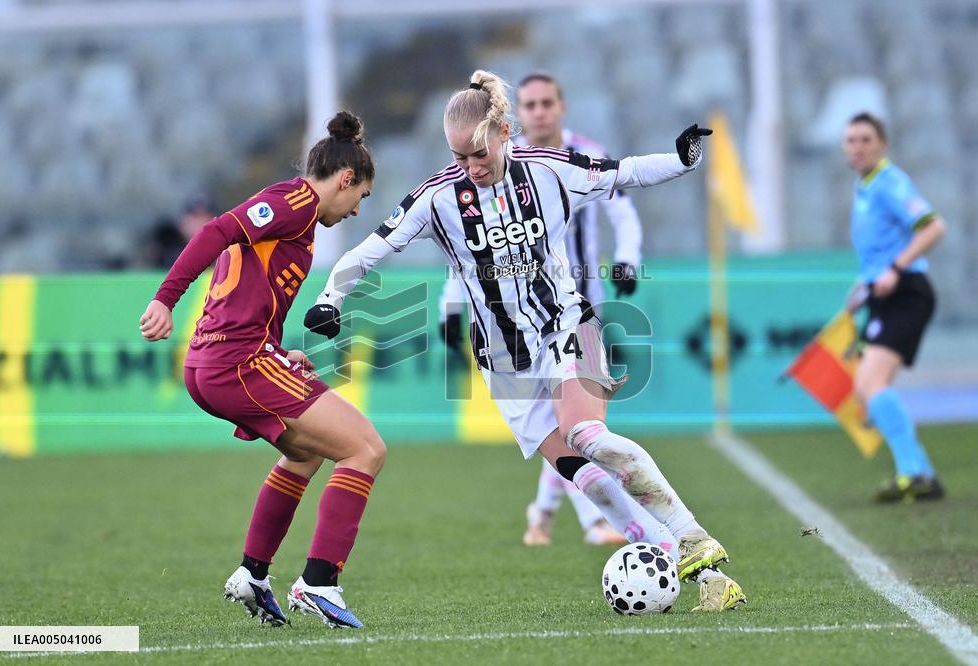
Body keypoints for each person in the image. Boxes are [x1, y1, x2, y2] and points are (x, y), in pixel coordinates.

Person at [306, 71, 745, 612]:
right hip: (502, 360)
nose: (470, 166)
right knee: (581, 474)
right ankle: (691, 566)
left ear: (505, 132)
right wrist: (331, 297)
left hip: (566, 324)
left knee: (588, 436)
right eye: (459, 156)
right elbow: (367, 251)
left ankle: (692, 535)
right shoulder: (438, 198)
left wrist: (681, 160)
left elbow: (624, 173)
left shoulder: (552, 171)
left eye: (478, 153)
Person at [139, 111, 382, 629]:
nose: (358, 209)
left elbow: (249, 286)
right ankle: (319, 581)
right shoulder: (295, 203)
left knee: (307, 454)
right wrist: (165, 299)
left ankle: (253, 574)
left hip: (217, 361)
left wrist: (277, 348)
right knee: (365, 449)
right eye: (361, 196)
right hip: (236, 363)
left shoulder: (289, 211)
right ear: (345, 180)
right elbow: (215, 231)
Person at [441, 72, 645, 546]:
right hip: (517, 325)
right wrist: (451, 307)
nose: (538, 112)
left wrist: (629, 257)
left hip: (577, 306)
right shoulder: (490, 165)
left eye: (546, 103)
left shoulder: (577, 157)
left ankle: (545, 514)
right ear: (516, 116)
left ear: (561, 106)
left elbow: (622, 208)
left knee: (578, 428)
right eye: (529, 104)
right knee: (572, 428)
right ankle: (590, 520)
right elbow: (470, 253)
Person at [842, 112, 947, 502]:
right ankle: (922, 473)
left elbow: (934, 226)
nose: (858, 147)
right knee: (867, 388)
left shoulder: (890, 182)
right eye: (851, 140)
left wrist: (895, 269)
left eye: (866, 139)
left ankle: (912, 474)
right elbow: (878, 253)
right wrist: (863, 287)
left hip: (907, 292)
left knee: (871, 384)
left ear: (882, 144)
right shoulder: (865, 186)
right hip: (885, 294)